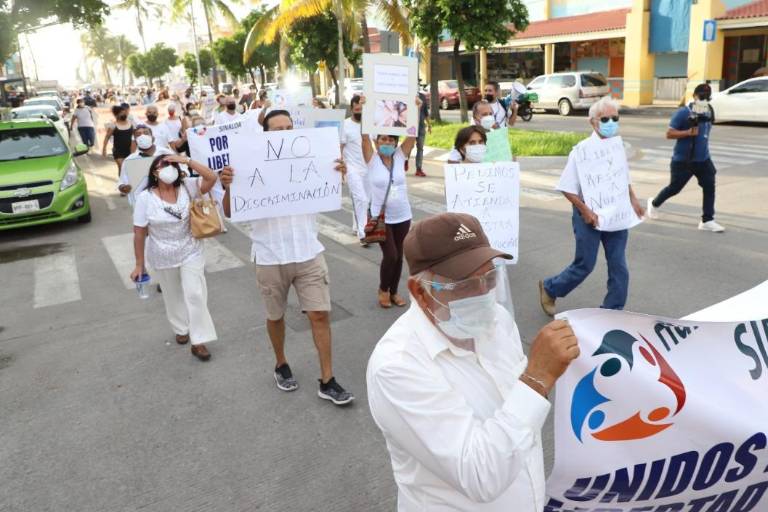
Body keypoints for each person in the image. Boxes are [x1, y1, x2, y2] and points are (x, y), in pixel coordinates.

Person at [366, 212, 580, 511]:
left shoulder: (497, 321)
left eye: (490, 278)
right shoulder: (398, 366)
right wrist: (537, 378)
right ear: (420, 292)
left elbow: (516, 422)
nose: (483, 294)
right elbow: (480, 475)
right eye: (464, 284)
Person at [218, 109, 355, 406]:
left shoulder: (310, 157)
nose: (283, 131)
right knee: (275, 316)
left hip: (308, 252)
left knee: (320, 314)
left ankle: (328, 380)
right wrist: (229, 185)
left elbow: (328, 192)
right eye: (277, 128)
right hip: (269, 255)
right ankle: (281, 363)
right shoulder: (247, 163)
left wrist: (337, 173)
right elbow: (230, 211)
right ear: (265, 134)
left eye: (288, 127)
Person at [539, 96, 645, 316]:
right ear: (592, 121)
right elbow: (566, 187)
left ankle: (612, 310)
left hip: (616, 213)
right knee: (585, 264)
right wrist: (585, 210)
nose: (610, 123)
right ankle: (550, 288)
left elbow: (622, 177)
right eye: (604, 119)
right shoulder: (581, 151)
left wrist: (633, 199)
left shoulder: (617, 146)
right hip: (589, 213)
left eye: (614, 118)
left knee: (619, 266)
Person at [130, 154, 219, 361]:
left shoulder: (188, 187)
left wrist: (186, 161)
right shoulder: (145, 198)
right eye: (165, 165)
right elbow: (139, 232)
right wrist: (139, 265)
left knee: (195, 294)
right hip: (162, 255)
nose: (170, 168)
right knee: (172, 294)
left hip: (191, 250)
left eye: (172, 165)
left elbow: (211, 177)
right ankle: (181, 328)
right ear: (155, 172)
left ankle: (199, 341)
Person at [360, 95, 419, 309]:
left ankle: (394, 292)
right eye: (383, 139)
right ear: (377, 142)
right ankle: (383, 289)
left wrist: (416, 110)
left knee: (400, 256)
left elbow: (412, 136)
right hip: (381, 216)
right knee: (391, 255)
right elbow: (364, 137)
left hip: (403, 214)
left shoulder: (400, 156)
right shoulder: (372, 159)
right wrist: (367, 110)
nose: (387, 143)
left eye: (391, 140)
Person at [646, 83, 724, 232]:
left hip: (703, 159)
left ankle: (707, 220)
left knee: (709, 187)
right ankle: (654, 204)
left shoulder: (709, 111)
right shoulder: (683, 112)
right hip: (683, 161)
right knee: (674, 188)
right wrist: (687, 133)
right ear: (694, 96)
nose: (704, 100)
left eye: (707, 97)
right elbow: (669, 133)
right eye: (701, 97)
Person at [118, 125, 174, 205]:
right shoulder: (129, 160)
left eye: (146, 133)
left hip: (166, 200)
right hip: (142, 203)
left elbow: (182, 170)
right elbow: (122, 182)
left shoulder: (166, 153)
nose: (142, 136)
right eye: (138, 134)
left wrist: (182, 173)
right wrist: (123, 188)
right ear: (135, 141)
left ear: (153, 138)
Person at [340, 94, 370, 245]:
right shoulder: (345, 125)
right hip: (352, 168)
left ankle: (355, 225)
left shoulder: (371, 124)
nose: (359, 111)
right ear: (352, 109)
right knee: (361, 199)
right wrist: (341, 171)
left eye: (362, 109)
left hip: (368, 169)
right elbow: (340, 147)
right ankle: (363, 233)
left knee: (365, 200)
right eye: (357, 109)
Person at [102, 104, 136, 177]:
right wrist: (104, 149)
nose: (124, 114)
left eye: (124, 112)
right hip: (118, 151)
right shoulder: (113, 125)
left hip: (130, 150)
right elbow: (107, 137)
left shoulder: (131, 124)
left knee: (129, 168)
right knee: (122, 167)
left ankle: (128, 182)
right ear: (116, 115)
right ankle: (122, 184)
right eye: (121, 113)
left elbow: (135, 136)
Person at [414, 89, 431, 177]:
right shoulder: (407, 94)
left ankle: (419, 168)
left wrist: (429, 125)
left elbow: (425, 112)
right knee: (409, 147)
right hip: (411, 127)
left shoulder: (422, 96)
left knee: (420, 148)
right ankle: (405, 160)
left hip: (421, 127)